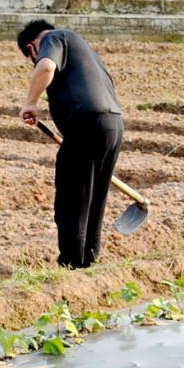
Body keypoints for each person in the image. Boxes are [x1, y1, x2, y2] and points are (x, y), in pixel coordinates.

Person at [17, 19, 124, 270]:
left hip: (87, 125)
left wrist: (30, 102)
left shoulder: (54, 38)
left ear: (32, 48)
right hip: (113, 125)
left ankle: (70, 266)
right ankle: (89, 263)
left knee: (71, 200)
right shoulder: (83, 49)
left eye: (31, 57)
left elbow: (45, 68)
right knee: (93, 201)